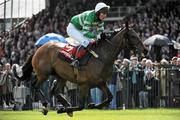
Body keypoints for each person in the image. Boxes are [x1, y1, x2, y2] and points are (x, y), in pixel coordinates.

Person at [66, 2, 110, 67]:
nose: (105, 16)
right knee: (85, 42)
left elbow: (100, 32)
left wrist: (103, 36)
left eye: (106, 14)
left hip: (80, 29)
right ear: (98, 13)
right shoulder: (90, 16)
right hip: (73, 28)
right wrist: (98, 36)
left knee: (92, 41)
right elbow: (86, 33)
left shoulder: (100, 20)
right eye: (103, 13)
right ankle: (75, 60)